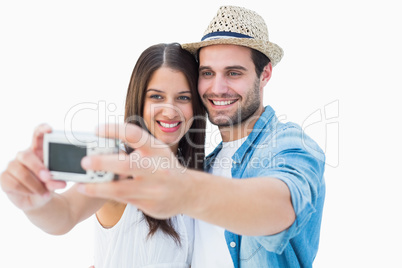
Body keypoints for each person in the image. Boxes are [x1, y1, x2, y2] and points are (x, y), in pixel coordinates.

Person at [73, 5, 326, 268]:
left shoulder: (289, 144)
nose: (217, 88)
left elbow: (282, 208)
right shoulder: (201, 167)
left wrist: (184, 189)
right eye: (207, 73)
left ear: (265, 74)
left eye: (234, 72)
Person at [0, 43, 206, 267]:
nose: (170, 110)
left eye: (183, 98)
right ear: (139, 102)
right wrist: (37, 204)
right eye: (156, 97)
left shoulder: (204, 178)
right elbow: (66, 213)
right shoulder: (120, 168)